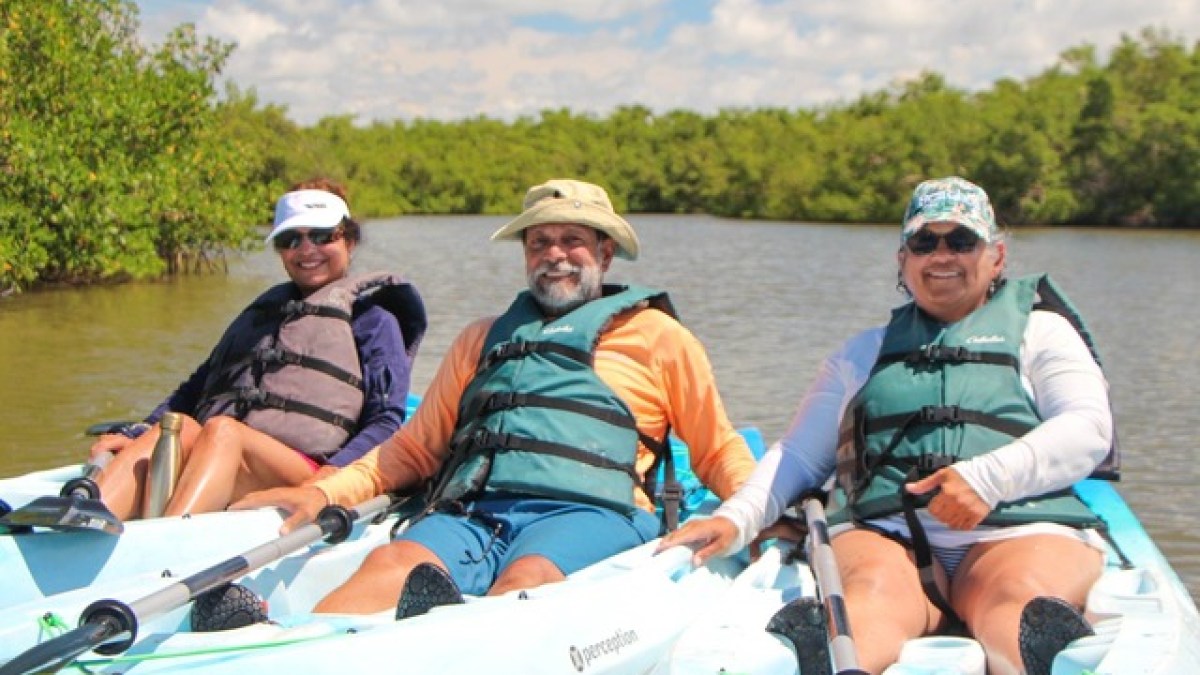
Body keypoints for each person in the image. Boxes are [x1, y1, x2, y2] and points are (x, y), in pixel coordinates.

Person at [235, 178, 757, 615]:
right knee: (387, 566)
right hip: (474, 513)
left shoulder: (658, 338)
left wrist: (755, 510)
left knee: (525, 581)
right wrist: (324, 492)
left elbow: (715, 448)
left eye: (572, 240)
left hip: (590, 516)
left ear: (605, 251)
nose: (554, 254)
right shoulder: (481, 339)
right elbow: (413, 451)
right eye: (538, 242)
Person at [659, 176, 1114, 675]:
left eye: (961, 241)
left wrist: (986, 478)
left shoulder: (1043, 333)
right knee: (868, 601)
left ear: (997, 257)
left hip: (1018, 531)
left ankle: (1033, 657)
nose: (941, 255)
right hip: (889, 533)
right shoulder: (860, 353)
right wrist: (735, 518)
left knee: (1014, 600)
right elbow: (800, 456)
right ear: (903, 259)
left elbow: (1088, 427)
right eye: (924, 242)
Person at [90, 178, 427, 520]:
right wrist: (137, 432)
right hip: (222, 451)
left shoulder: (375, 322)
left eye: (322, 236)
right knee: (177, 427)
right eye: (290, 239)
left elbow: (385, 421)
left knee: (222, 431)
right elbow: (196, 388)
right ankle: (89, 515)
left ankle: (168, 543)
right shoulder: (262, 315)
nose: (306, 249)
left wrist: (331, 478)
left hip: (309, 471)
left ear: (350, 240)